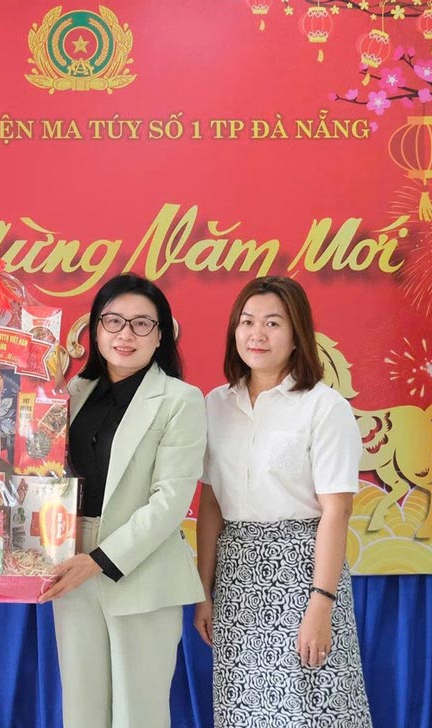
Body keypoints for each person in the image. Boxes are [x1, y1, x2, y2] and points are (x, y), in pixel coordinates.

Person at [193, 276, 372, 727]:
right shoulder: (215, 404)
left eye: (273, 323)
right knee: (244, 710)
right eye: (247, 322)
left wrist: (320, 603)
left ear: (296, 336)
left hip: (302, 572)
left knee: (313, 709)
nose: (257, 334)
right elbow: (210, 503)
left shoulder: (323, 406)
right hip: (237, 577)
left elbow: (337, 510)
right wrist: (203, 593)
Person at [39, 274, 207, 728]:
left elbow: (170, 500)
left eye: (141, 324)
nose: (125, 334)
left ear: (161, 335)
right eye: (112, 321)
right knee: (82, 710)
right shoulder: (71, 393)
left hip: (141, 569)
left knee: (139, 715)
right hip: (68, 561)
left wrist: (97, 560)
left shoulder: (180, 400)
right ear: (94, 330)